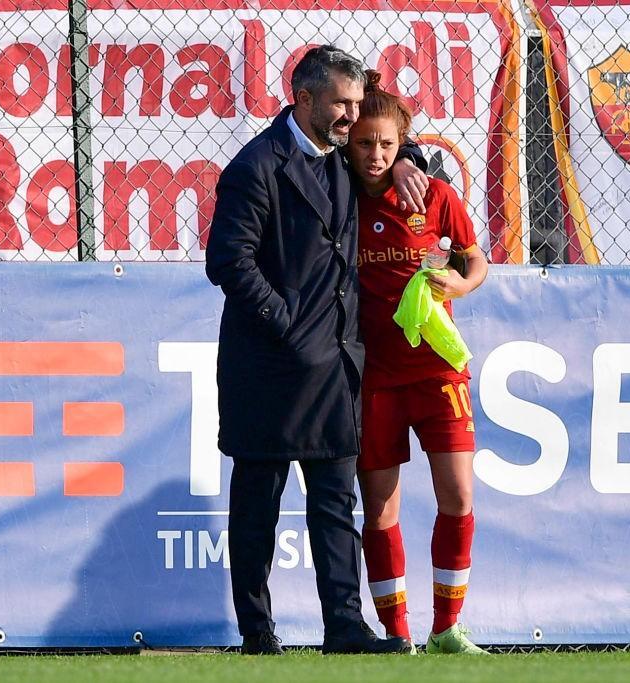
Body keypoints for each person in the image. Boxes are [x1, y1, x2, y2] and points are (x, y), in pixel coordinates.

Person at [204, 46, 429, 656]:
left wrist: (408, 156)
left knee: (336, 504)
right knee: (258, 505)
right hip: (268, 369)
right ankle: (257, 633)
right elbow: (227, 260)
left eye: (357, 105)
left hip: (336, 369)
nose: (352, 118)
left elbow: (384, 149)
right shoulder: (257, 166)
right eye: (341, 104)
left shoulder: (343, 157)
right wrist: (284, 321)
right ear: (303, 99)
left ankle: (345, 628)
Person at [346, 71, 489, 654]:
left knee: (457, 496)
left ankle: (447, 629)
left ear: (402, 142)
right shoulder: (337, 194)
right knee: (379, 507)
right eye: (364, 143)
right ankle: (398, 636)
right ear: (348, 144)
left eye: (387, 144)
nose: (375, 154)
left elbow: (475, 261)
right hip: (373, 376)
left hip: (437, 371)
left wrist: (459, 282)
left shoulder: (436, 196)